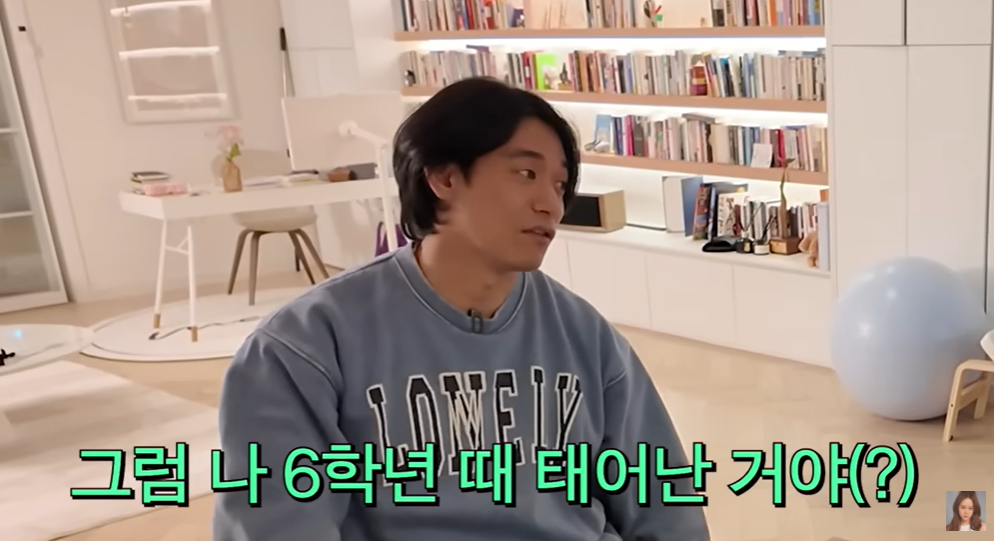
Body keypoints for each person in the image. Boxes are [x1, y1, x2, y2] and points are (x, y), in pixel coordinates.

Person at [213, 77, 711, 541]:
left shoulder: (585, 335)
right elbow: (278, 521)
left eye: (560, 185)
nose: (551, 205)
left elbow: (664, 503)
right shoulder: (304, 347)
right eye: (526, 173)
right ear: (443, 177)